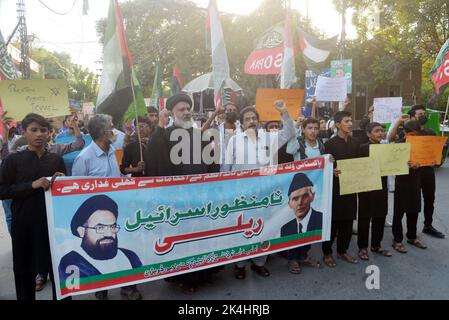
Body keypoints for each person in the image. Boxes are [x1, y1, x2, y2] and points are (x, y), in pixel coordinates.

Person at [144, 93, 219, 293]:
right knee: (183, 239)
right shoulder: (165, 134)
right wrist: (160, 125)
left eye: (188, 109)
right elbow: (154, 155)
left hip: (201, 197)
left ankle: (204, 273)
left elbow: (210, 160)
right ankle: (185, 278)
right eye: (181, 109)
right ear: (172, 113)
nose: (186, 113)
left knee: (201, 235)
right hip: (178, 200)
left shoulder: (196, 133)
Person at [72, 114, 142, 300]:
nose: (115, 131)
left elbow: (116, 178)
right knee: (99, 252)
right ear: (104, 133)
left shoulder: (112, 151)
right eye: (112, 126)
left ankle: (128, 287)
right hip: (97, 220)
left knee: (125, 249)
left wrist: (131, 178)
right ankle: (101, 288)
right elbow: (76, 193)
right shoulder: (84, 158)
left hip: (118, 213)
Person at [222, 101, 295, 279]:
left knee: (263, 228)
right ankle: (239, 265)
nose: (251, 121)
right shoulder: (234, 140)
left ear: (259, 121)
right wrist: (225, 191)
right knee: (241, 230)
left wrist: (284, 112)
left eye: (254, 118)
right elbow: (226, 167)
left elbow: (290, 132)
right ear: (242, 123)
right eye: (247, 119)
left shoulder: (269, 138)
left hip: (264, 195)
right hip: (240, 195)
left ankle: (259, 263)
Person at [0, 113, 67, 300]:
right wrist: (32, 185)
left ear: (49, 133)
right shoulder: (13, 160)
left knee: (59, 269)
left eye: (43, 130)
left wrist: (64, 182)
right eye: (34, 130)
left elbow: (66, 195)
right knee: (23, 271)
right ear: (24, 132)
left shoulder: (56, 160)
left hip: (53, 226)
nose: (39, 134)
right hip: (24, 225)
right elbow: (2, 190)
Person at [58, 195, 142, 281]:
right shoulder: (72, 263)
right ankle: (101, 291)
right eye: (100, 228)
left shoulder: (130, 256)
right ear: (81, 231)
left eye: (112, 227)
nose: (109, 234)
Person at [322, 111, 360, 267]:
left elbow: (360, 163)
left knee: (348, 221)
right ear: (338, 124)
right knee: (333, 222)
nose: (350, 123)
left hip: (351, 187)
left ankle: (342, 250)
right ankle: (327, 253)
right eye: (346, 121)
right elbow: (324, 167)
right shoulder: (329, 144)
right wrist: (332, 171)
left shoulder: (355, 142)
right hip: (334, 189)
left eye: (351, 120)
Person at [357, 122, 392, 260]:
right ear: (368, 134)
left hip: (382, 187)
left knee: (380, 215)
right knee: (365, 218)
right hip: (366, 188)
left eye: (382, 131)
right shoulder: (362, 148)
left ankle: (376, 245)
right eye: (377, 131)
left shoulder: (386, 148)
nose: (380, 133)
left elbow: (393, 164)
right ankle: (362, 247)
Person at [408, 105, 444, 239]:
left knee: (430, 199)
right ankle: (411, 232)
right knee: (414, 201)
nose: (423, 116)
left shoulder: (431, 132)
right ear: (412, 117)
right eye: (419, 114)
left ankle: (428, 225)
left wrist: (436, 160)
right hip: (414, 173)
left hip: (428, 171)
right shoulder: (407, 133)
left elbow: (437, 154)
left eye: (424, 113)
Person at [392, 120, 428, 253]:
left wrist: (425, 162)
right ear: (405, 133)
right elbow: (392, 165)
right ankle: (397, 239)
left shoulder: (422, 144)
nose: (415, 137)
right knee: (398, 213)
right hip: (402, 183)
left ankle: (412, 237)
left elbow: (427, 160)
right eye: (412, 135)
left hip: (416, 182)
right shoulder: (399, 145)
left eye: (417, 134)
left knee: (414, 210)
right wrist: (404, 164)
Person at [281, 173, 322, 274]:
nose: (300, 203)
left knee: (307, 232)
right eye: (295, 199)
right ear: (289, 203)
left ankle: (303, 256)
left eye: (305, 196)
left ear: (312, 196)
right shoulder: (285, 228)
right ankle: (293, 259)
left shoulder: (320, 218)